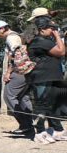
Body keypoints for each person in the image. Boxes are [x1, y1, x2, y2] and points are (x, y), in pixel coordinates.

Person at [0, 19, 35, 136]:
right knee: (23, 97)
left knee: (9, 96)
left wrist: (8, 72)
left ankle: (25, 125)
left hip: (20, 71)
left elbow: (17, 55)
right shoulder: (16, 36)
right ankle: (30, 124)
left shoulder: (11, 38)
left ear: (2, 29)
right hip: (28, 70)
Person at [27, 16, 66, 144]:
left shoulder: (45, 40)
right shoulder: (40, 41)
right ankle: (39, 133)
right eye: (50, 28)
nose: (53, 30)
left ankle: (55, 130)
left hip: (50, 77)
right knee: (41, 105)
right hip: (41, 78)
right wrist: (57, 36)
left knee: (52, 104)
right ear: (41, 29)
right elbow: (61, 52)